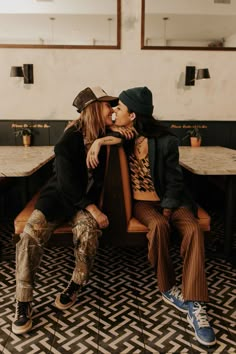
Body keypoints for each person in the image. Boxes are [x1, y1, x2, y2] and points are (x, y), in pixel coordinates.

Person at [87, 86, 216, 347]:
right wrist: (100, 141)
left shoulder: (166, 140)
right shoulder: (125, 134)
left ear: (133, 115)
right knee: (157, 226)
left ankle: (195, 304)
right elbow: (102, 133)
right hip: (142, 206)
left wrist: (168, 208)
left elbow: (174, 181)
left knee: (192, 229)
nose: (114, 111)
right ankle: (168, 288)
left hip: (172, 201)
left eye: (119, 108)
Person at [12, 86, 118, 335]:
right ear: (92, 109)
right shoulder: (68, 140)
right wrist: (93, 209)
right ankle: (23, 301)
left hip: (81, 204)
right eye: (107, 105)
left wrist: (101, 141)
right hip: (58, 199)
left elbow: (132, 132)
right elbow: (67, 185)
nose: (112, 110)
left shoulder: (102, 132)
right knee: (29, 237)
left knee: (88, 233)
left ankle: (75, 285)